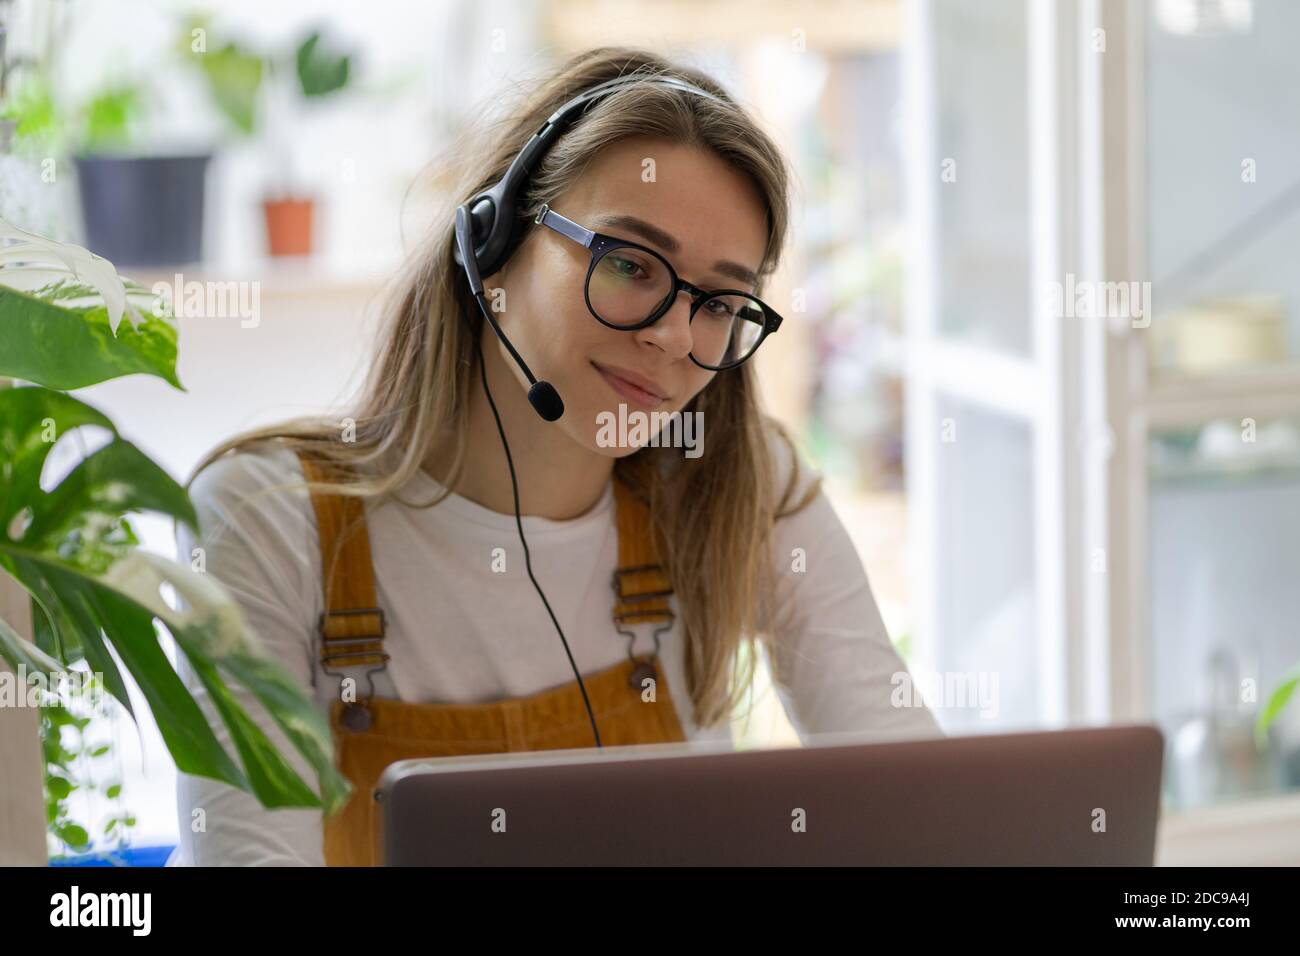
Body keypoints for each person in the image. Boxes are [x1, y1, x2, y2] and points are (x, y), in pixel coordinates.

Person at [168, 46, 941, 867]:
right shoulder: (269, 517)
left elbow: (914, 804)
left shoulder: (737, 484)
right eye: (629, 264)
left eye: (719, 300)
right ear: (492, 244)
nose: (674, 335)